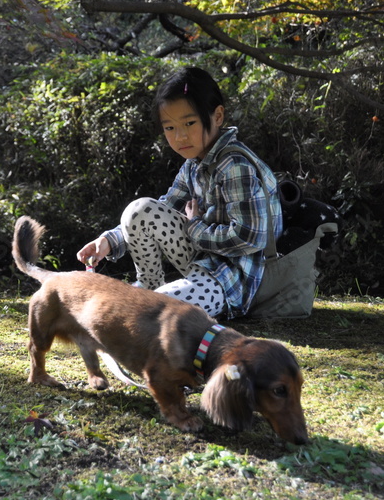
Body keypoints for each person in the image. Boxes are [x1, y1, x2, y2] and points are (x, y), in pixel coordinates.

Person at [76, 66, 282, 319]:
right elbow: (165, 207)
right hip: (203, 261)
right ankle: (150, 286)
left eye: (190, 123)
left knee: (149, 311)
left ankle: (153, 299)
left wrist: (194, 227)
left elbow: (250, 238)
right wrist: (109, 241)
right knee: (139, 210)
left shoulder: (235, 166)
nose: (180, 136)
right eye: (170, 128)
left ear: (217, 116)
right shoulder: (194, 164)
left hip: (233, 280)